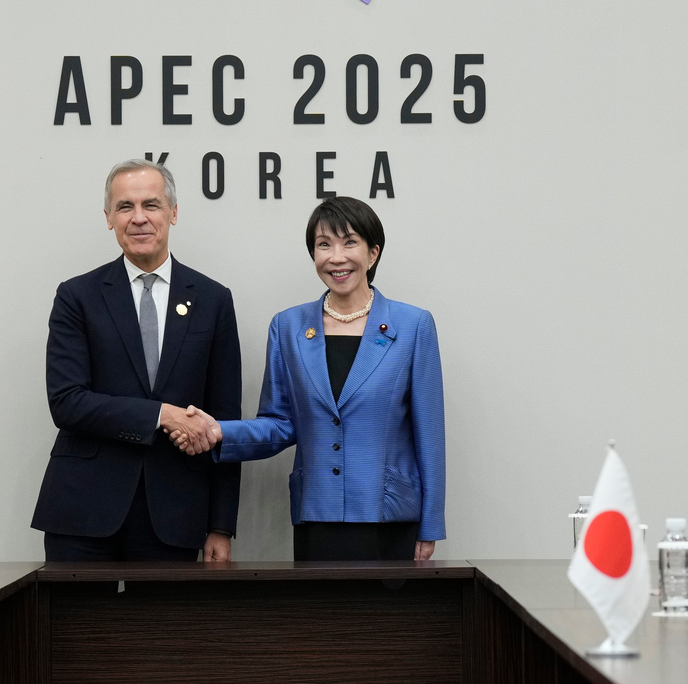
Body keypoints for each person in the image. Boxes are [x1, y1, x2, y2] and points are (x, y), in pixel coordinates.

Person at [173, 196, 445, 562]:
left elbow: (430, 435)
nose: (336, 257)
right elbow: (280, 424)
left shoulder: (413, 326)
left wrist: (431, 524)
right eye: (323, 244)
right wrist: (218, 431)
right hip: (317, 512)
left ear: (373, 253)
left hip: (390, 515)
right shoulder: (288, 327)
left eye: (349, 242)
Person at [31, 159, 242, 562]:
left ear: (173, 212)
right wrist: (162, 415)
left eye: (151, 204)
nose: (139, 218)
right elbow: (67, 402)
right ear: (108, 218)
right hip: (82, 511)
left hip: (176, 512)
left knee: (161, 611)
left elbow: (224, 418)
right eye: (125, 206)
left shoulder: (213, 300)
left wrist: (220, 523)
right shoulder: (77, 296)